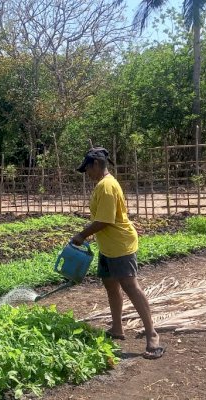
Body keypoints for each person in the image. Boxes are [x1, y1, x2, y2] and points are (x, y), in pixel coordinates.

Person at [71, 147, 165, 359]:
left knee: (130, 287)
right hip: (108, 246)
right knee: (110, 285)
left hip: (120, 245)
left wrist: (81, 235)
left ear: (95, 164)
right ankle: (117, 328)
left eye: (87, 169)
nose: (86, 174)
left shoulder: (107, 186)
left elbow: (105, 220)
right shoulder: (101, 185)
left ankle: (152, 335)